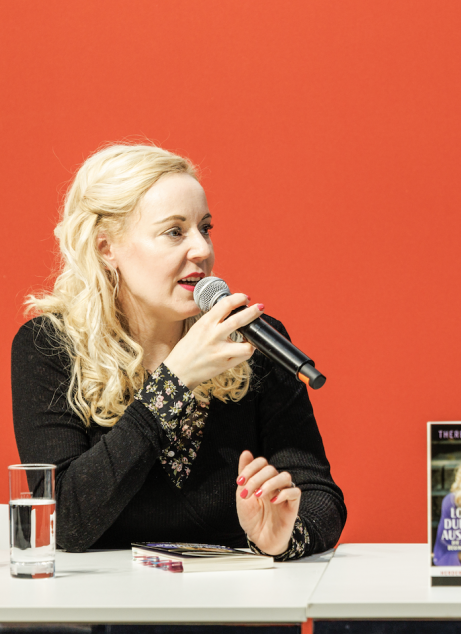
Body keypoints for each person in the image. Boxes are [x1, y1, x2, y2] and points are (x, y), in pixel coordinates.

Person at [12, 144, 346, 559]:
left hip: (239, 611)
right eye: (175, 232)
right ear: (105, 248)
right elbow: (66, 522)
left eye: (204, 228)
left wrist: (285, 537)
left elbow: (319, 496)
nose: (202, 250)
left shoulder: (251, 342)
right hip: (106, 613)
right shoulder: (49, 346)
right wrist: (175, 382)